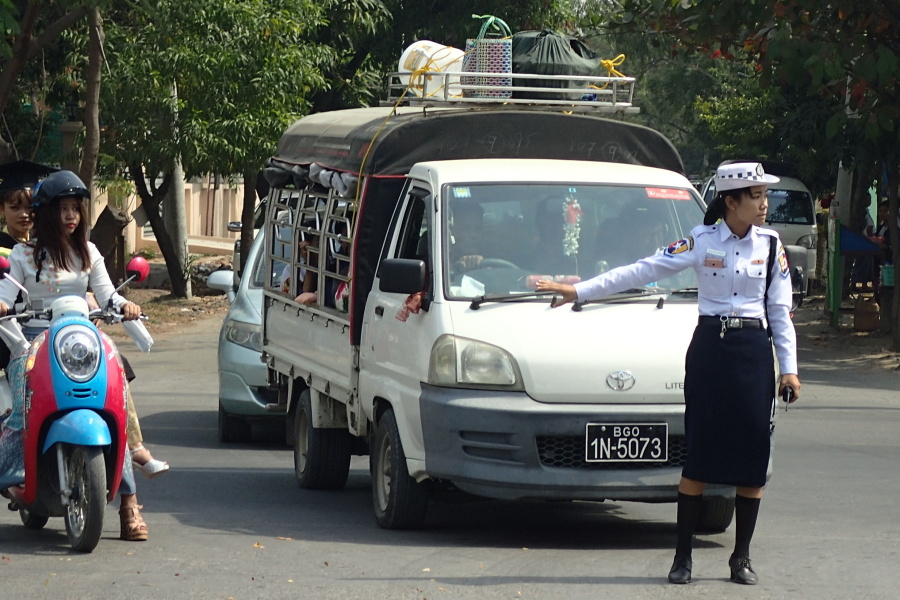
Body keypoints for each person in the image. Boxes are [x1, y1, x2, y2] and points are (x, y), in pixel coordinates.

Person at [537, 162, 801, 585]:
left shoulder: (771, 246)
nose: (765, 204)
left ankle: (741, 558)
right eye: (756, 196)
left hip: (753, 351)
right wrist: (579, 291)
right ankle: (682, 559)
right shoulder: (700, 240)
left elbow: (779, 312)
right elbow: (644, 269)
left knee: (752, 454)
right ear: (731, 201)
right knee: (698, 453)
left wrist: (788, 369)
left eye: (764, 195)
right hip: (711, 349)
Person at [0, 170, 151, 541]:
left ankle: (129, 504)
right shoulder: (23, 254)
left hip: (79, 341)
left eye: (75, 209)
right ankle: (15, 466)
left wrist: (126, 305)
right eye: (62, 209)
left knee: (114, 400)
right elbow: (8, 292)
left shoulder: (89, 252)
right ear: (47, 213)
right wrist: (2, 303)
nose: (71, 216)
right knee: (22, 403)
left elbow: (108, 295)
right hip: (33, 342)